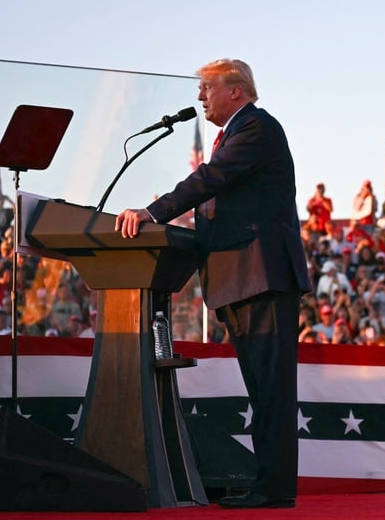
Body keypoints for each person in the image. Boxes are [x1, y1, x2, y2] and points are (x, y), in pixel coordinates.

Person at [115, 58, 311, 509]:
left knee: (271, 389)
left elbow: (211, 179)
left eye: (206, 87)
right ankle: (269, 484)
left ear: (236, 91)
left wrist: (153, 212)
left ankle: (275, 489)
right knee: (262, 389)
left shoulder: (256, 129)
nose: (200, 96)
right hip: (241, 277)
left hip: (261, 276)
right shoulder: (237, 132)